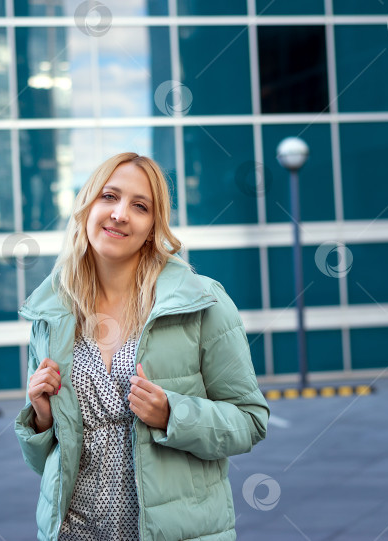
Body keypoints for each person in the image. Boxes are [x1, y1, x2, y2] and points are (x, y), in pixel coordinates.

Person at [14, 152, 269, 541]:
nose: (119, 214)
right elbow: (45, 463)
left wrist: (173, 414)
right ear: (87, 206)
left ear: (152, 226)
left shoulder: (202, 303)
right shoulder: (53, 312)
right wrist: (42, 419)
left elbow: (250, 422)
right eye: (109, 197)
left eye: (139, 206)